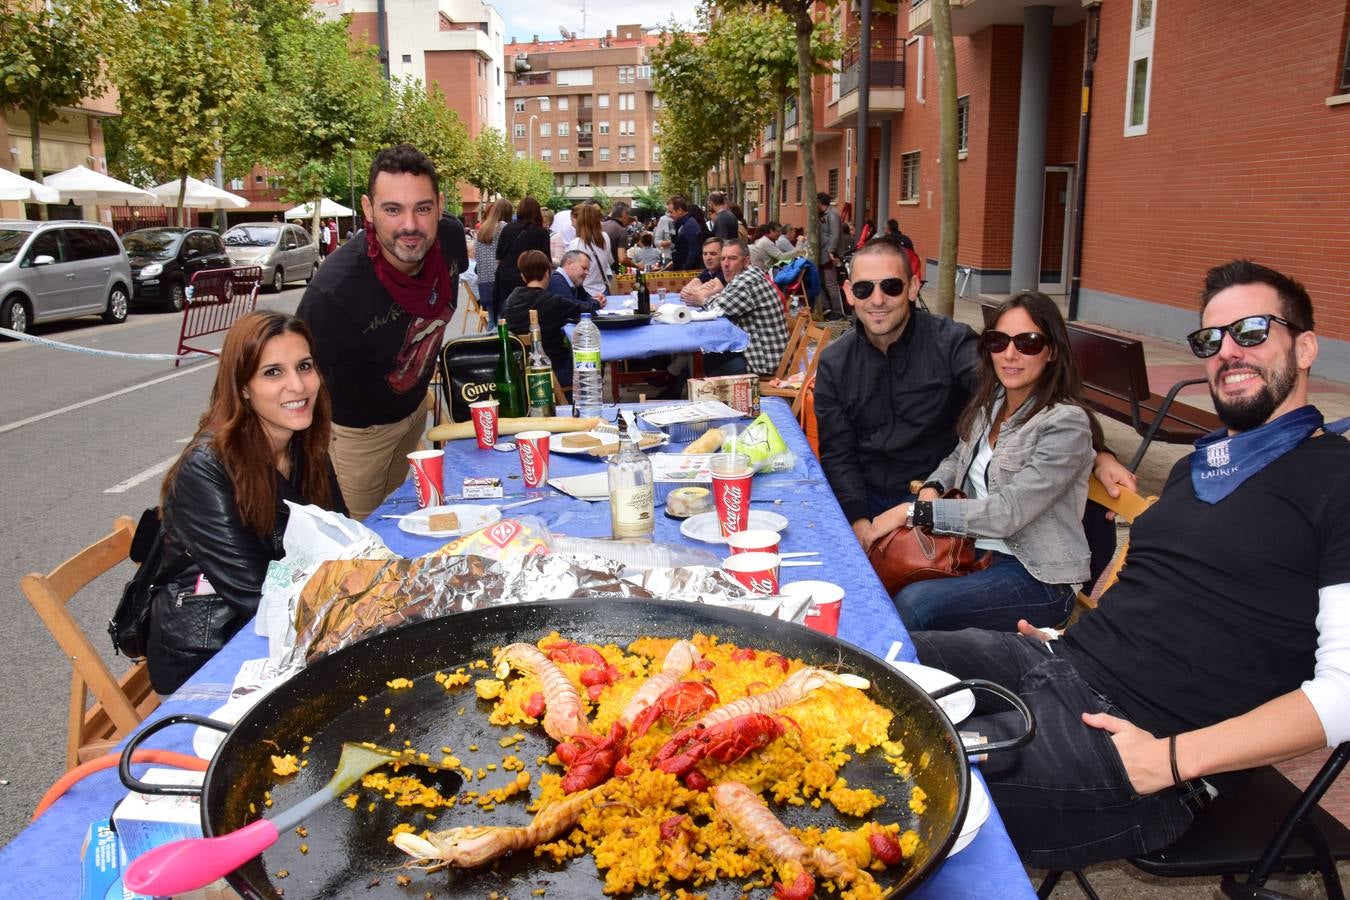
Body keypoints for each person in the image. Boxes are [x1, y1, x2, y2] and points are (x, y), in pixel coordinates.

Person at [912, 259, 1350, 871]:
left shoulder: (1337, 480)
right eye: (1210, 339)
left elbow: (1345, 695)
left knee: (903, 767)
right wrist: (1063, 636)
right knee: (882, 655)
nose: (1227, 352)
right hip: (1057, 660)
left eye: (1251, 332)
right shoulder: (1200, 470)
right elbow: (1159, 588)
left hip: (1146, 743)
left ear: (1305, 347)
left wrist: (1171, 761)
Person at [815, 239, 1130, 539]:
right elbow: (838, 454)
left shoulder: (950, 343)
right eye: (864, 288)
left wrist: (1100, 454)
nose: (877, 299)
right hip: (865, 498)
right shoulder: (834, 362)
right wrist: (857, 523)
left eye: (891, 286)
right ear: (849, 293)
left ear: (912, 288)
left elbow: (1028, 392)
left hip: (937, 502)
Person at [148, 311, 346, 694]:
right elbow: (257, 591)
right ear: (243, 387)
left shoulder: (303, 442)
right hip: (210, 653)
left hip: (286, 624)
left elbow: (342, 537)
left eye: (304, 366)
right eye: (273, 372)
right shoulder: (205, 471)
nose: (297, 385)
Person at [877, 292, 1095, 632]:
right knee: (879, 564)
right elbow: (957, 457)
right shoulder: (992, 403)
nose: (1010, 354)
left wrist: (915, 512)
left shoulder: (1065, 423)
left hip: (1036, 575)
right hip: (971, 549)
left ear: (1052, 351)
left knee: (915, 604)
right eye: (998, 341)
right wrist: (934, 486)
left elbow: (1009, 513)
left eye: (1028, 343)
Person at [297, 143, 467, 520]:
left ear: (440, 205)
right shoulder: (334, 292)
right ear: (368, 209)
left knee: (409, 520)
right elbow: (294, 382)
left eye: (422, 208)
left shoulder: (451, 240)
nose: (410, 225)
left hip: (413, 413)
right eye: (393, 209)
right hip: (357, 437)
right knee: (365, 543)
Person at [685, 238, 787, 377]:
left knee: (709, 358)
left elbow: (718, 310)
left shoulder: (746, 280)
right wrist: (709, 299)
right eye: (723, 259)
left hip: (763, 362)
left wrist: (703, 299)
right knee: (710, 354)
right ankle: (676, 387)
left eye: (732, 258)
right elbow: (722, 301)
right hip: (761, 353)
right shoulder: (746, 275)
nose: (725, 264)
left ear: (746, 261)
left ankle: (702, 394)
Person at [504, 250, 603, 387]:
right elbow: (587, 312)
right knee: (592, 355)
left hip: (520, 371)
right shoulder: (551, 301)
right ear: (547, 272)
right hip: (553, 370)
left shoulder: (510, 300)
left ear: (523, 276)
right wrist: (596, 303)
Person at [494, 196, 552, 311]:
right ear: (537, 212)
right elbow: (546, 261)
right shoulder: (542, 232)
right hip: (530, 280)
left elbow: (499, 258)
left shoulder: (507, 229)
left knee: (508, 313)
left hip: (506, 279)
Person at [473, 198, 512, 321]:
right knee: (502, 321)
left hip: (484, 281)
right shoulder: (503, 227)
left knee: (492, 319)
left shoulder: (483, 229)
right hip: (499, 281)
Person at [567, 202, 615, 298]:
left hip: (585, 292)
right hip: (603, 290)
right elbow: (609, 261)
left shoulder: (576, 243)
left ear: (580, 221)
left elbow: (570, 271)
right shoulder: (604, 237)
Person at [815, 193, 845, 320]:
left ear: (820, 202)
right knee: (820, 282)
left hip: (828, 255)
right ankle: (827, 307)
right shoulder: (822, 215)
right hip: (822, 254)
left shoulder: (832, 214)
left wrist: (831, 251)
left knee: (830, 284)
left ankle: (838, 312)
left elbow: (835, 235)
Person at [678, 236, 727, 304]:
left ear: (723, 255)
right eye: (705, 254)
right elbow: (684, 292)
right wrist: (702, 288)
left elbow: (699, 296)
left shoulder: (726, 272)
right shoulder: (707, 271)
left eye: (713, 254)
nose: (708, 258)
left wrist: (697, 289)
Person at [667, 195, 703, 270]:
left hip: (688, 272)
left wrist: (684, 270)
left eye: (671, 212)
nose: (669, 215)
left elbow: (693, 252)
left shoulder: (690, 225)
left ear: (679, 210)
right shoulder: (683, 224)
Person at [602, 201, 633, 267]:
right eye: (628, 214)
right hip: (611, 270)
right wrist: (637, 266)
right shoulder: (621, 230)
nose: (629, 218)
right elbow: (622, 259)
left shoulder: (601, 225)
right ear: (624, 214)